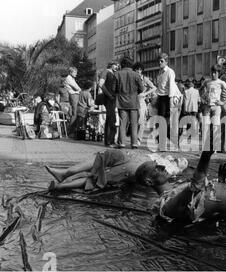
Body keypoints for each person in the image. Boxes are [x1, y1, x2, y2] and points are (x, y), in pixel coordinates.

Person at [45, 149, 188, 194]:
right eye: (181, 159)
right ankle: (66, 172)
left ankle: (61, 185)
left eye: (182, 162)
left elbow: (161, 186)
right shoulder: (167, 160)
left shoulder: (171, 171)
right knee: (101, 158)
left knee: (98, 178)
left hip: (131, 170)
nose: (180, 160)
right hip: (128, 157)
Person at [199, 64, 226, 151]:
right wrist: (202, 98)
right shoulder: (207, 82)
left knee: (216, 127)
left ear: (219, 73)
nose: (213, 74)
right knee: (205, 127)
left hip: (216, 107)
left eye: (215, 73)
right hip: (207, 107)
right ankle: (205, 148)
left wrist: (223, 102)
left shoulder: (221, 82)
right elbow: (200, 90)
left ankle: (215, 149)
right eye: (212, 72)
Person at [115, 57, 144, 149]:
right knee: (134, 123)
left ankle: (122, 143)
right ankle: (134, 143)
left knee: (123, 123)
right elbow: (141, 89)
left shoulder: (117, 74)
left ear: (122, 64)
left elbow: (113, 88)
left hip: (121, 102)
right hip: (133, 102)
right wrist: (135, 93)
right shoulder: (136, 75)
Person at [156, 53, 178, 145]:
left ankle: (164, 139)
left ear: (166, 61)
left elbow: (172, 86)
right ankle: (168, 138)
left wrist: (171, 99)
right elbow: (159, 87)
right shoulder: (160, 72)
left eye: (162, 61)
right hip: (160, 98)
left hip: (167, 98)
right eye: (159, 61)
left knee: (165, 120)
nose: (160, 63)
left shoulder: (170, 72)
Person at [133, 62, 157, 146]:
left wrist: (145, 94)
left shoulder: (145, 79)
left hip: (141, 100)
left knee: (141, 121)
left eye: (140, 69)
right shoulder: (132, 78)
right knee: (133, 120)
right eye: (137, 69)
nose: (139, 71)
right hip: (132, 100)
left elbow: (154, 88)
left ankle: (138, 139)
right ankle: (134, 139)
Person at [99, 61, 119, 148]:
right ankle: (109, 141)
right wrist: (109, 94)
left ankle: (109, 141)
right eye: (115, 65)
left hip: (112, 98)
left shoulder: (112, 73)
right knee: (111, 119)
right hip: (109, 98)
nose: (117, 67)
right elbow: (100, 84)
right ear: (111, 65)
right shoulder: (106, 72)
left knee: (110, 119)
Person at [63, 67, 82, 136]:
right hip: (73, 95)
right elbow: (76, 87)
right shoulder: (69, 78)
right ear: (70, 72)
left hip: (75, 95)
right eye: (75, 72)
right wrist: (81, 91)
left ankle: (72, 131)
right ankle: (70, 132)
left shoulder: (72, 78)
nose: (76, 74)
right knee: (74, 114)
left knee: (75, 114)